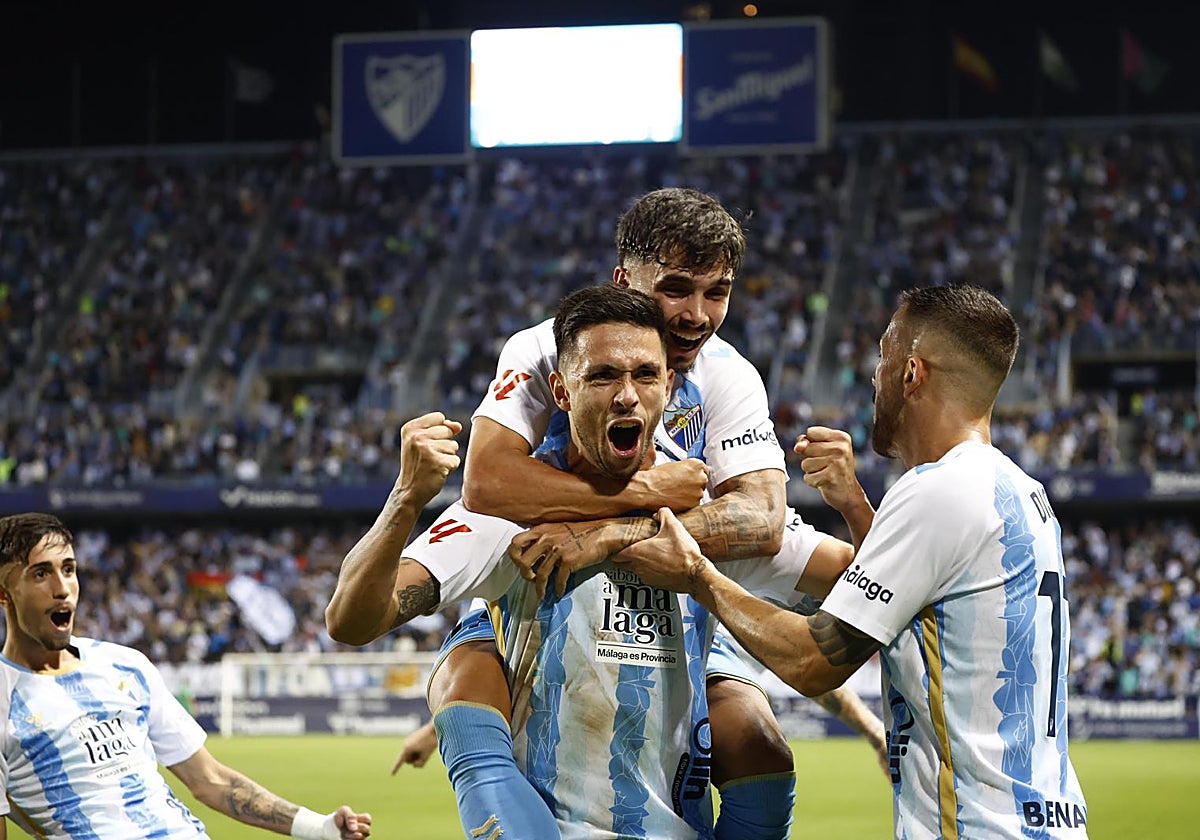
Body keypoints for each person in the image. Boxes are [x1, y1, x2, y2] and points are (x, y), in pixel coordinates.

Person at [327, 285, 865, 838]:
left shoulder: (715, 519)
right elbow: (351, 619)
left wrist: (852, 502)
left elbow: (867, 586)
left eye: (646, 375)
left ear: (671, 385)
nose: (627, 396)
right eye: (603, 375)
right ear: (560, 391)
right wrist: (405, 500)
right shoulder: (508, 519)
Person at [428, 186, 880, 835]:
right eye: (676, 288)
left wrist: (606, 534)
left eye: (717, 292)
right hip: (543, 600)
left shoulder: (727, 375)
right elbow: (489, 480)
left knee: (760, 746)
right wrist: (647, 492)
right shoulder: (544, 348)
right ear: (625, 279)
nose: (697, 314)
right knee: (466, 690)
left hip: (670, 611)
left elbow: (762, 517)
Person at [620, 284, 1090, 838]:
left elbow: (814, 660)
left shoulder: (936, 492)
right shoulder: (1018, 491)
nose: (875, 376)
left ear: (912, 373)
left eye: (883, 358)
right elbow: (918, 602)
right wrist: (854, 506)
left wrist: (697, 574)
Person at [0, 513, 372, 840]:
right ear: (4, 594)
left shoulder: (123, 665)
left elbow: (210, 780)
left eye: (68, 569)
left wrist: (318, 827)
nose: (62, 588)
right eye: (40, 574)